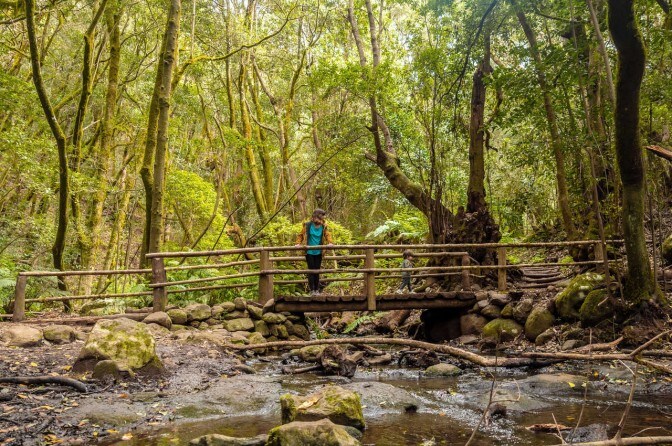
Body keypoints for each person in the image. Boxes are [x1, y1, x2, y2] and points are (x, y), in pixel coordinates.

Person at [295, 209, 333, 295]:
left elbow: (327, 235)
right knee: (311, 270)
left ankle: (317, 290)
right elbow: (301, 235)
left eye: (322, 218)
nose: (321, 220)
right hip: (309, 252)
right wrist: (297, 243)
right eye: (320, 218)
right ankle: (312, 290)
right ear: (315, 217)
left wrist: (330, 242)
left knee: (317, 271)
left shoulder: (323, 226)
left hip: (319, 252)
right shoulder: (308, 225)